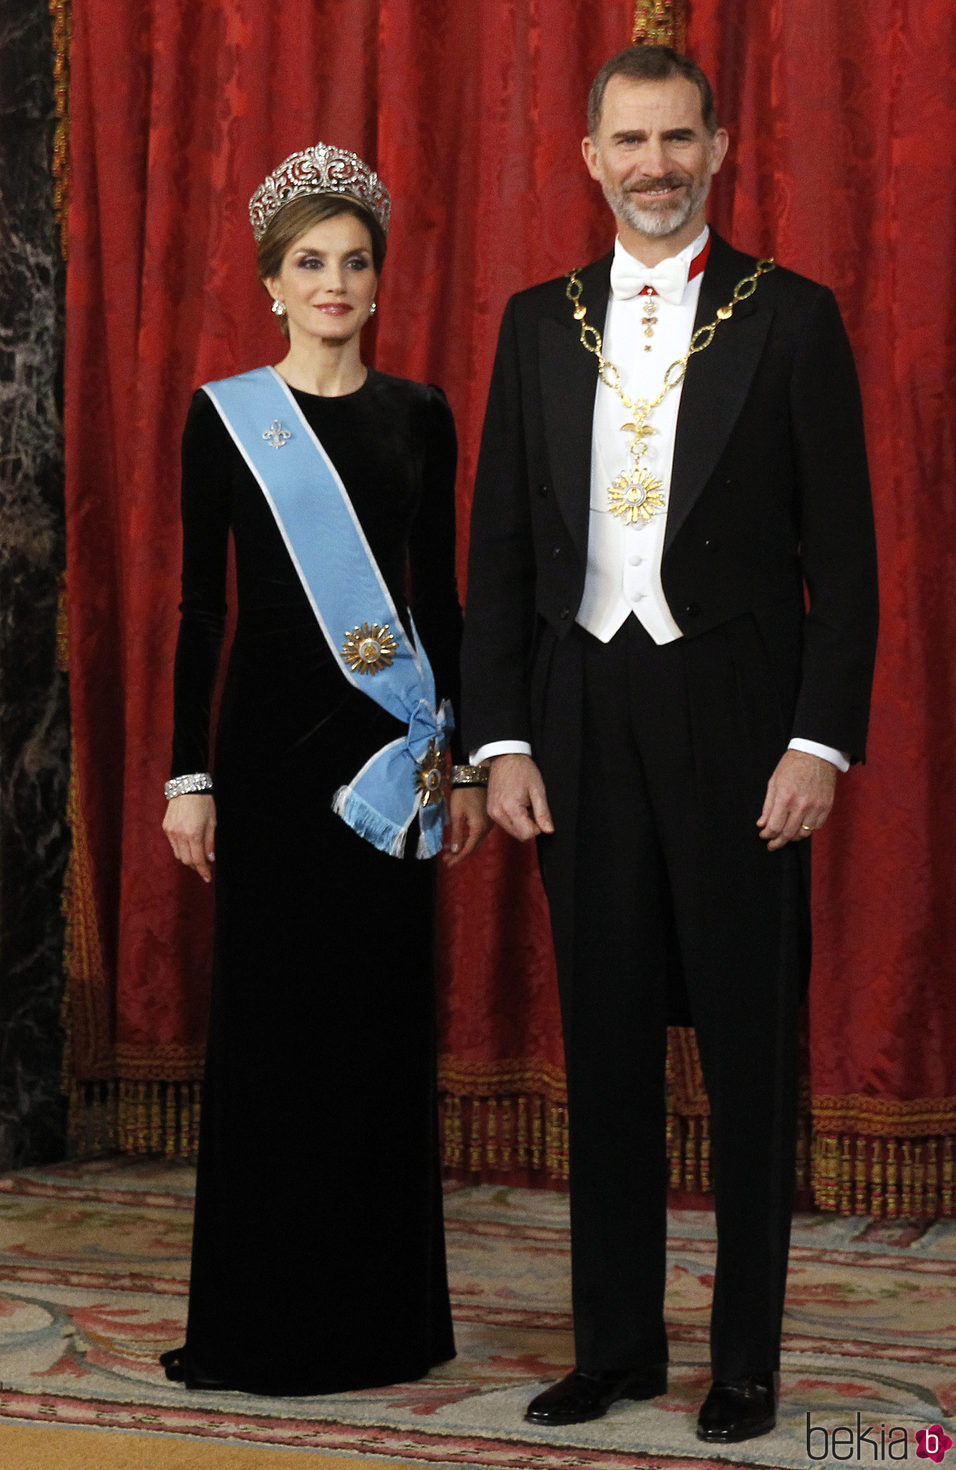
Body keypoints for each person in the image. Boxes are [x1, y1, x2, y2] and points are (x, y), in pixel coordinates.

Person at [462, 47, 877, 1444]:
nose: (655, 164)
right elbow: (502, 551)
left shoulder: (795, 318)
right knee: (607, 1044)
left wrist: (819, 741)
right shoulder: (537, 322)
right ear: (589, 155)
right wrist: (500, 737)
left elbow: (852, 563)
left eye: (677, 138)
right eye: (629, 140)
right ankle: (618, 1346)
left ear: (719, 146)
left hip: (742, 723)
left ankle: (745, 1358)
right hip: (577, 723)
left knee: (752, 1051)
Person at [160, 143, 489, 1396]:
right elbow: (201, 611)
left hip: (388, 762)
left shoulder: (421, 414)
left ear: (376, 278)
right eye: (311, 263)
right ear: (272, 282)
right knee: (275, 1038)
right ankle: (263, 1323)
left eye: (354, 262)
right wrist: (187, 778)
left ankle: (377, 1323)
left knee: (374, 1035)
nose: (335, 282)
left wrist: (455, 764)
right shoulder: (225, 415)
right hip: (266, 762)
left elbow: (439, 601)